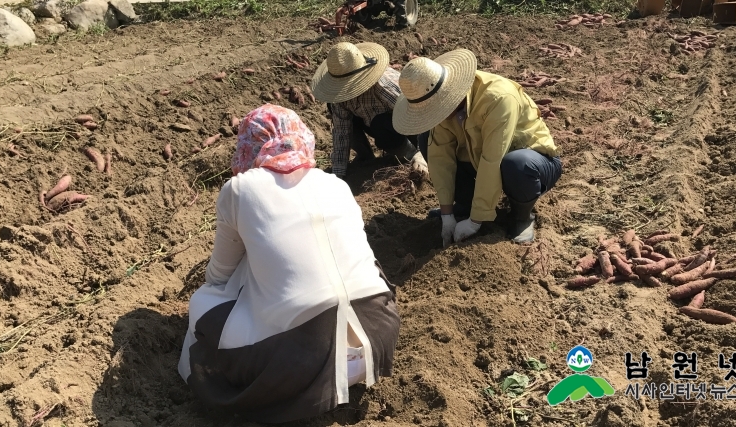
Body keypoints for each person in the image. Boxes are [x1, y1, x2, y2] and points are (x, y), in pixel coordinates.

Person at [177, 104, 400, 424]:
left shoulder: (240, 189)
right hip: (378, 337)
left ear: (249, 145)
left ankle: (224, 382)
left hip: (296, 362)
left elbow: (218, 275)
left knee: (202, 300)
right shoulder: (336, 185)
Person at [391, 49, 562, 245]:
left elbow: (493, 159)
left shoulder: (497, 98)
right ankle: (465, 205)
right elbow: (441, 157)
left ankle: (522, 217)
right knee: (426, 141)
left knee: (516, 164)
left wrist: (475, 222)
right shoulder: (439, 106)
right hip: (479, 159)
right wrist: (447, 214)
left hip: (531, 163)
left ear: (449, 94)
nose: (434, 114)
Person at [310, 41, 428, 180]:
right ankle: (366, 157)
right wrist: (338, 174)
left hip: (407, 128)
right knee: (339, 111)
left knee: (380, 122)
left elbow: (418, 113)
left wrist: (421, 152)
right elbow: (342, 133)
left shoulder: (383, 86)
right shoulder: (339, 98)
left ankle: (409, 153)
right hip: (375, 125)